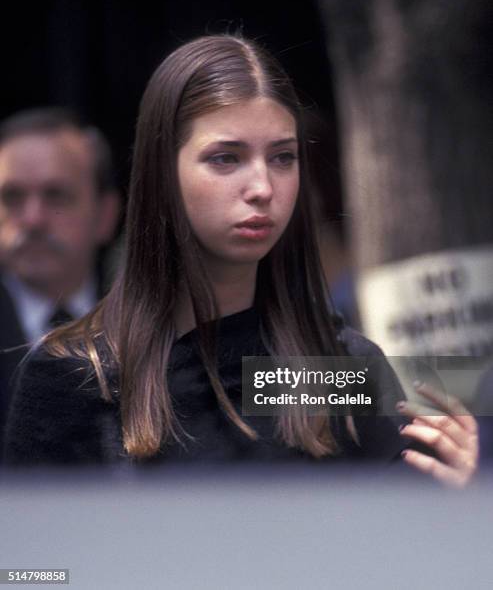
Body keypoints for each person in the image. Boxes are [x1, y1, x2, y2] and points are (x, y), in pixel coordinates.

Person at [3, 36, 478, 487]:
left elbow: (389, 560)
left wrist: (440, 507)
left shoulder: (337, 371)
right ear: (162, 172)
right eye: (226, 158)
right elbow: (38, 573)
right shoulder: (74, 376)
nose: (262, 188)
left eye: (283, 157)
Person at [0, 108, 121, 454]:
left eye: (56, 196)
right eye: (12, 197)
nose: (33, 219)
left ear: (106, 214)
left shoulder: (154, 318)